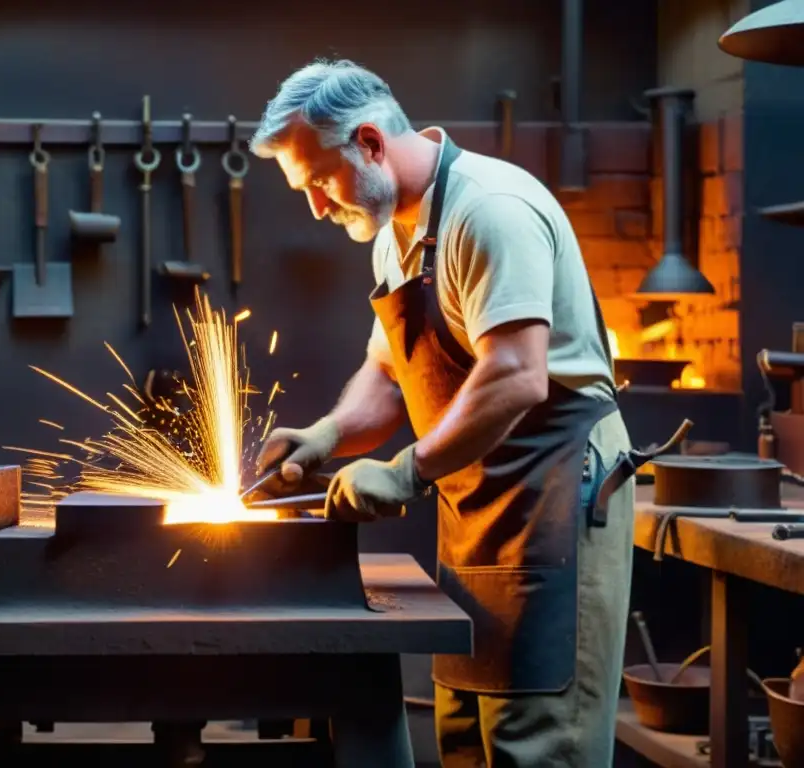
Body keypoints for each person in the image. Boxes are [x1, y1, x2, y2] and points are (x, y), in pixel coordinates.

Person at [249, 59, 640, 767]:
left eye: (319, 182)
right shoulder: (398, 233)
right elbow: (391, 379)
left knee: (540, 748)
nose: (315, 206)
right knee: (463, 740)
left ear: (369, 142)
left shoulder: (489, 210)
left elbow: (517, 376)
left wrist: (406, 470)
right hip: (476, 509)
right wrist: (326, 437)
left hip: (553, 497)